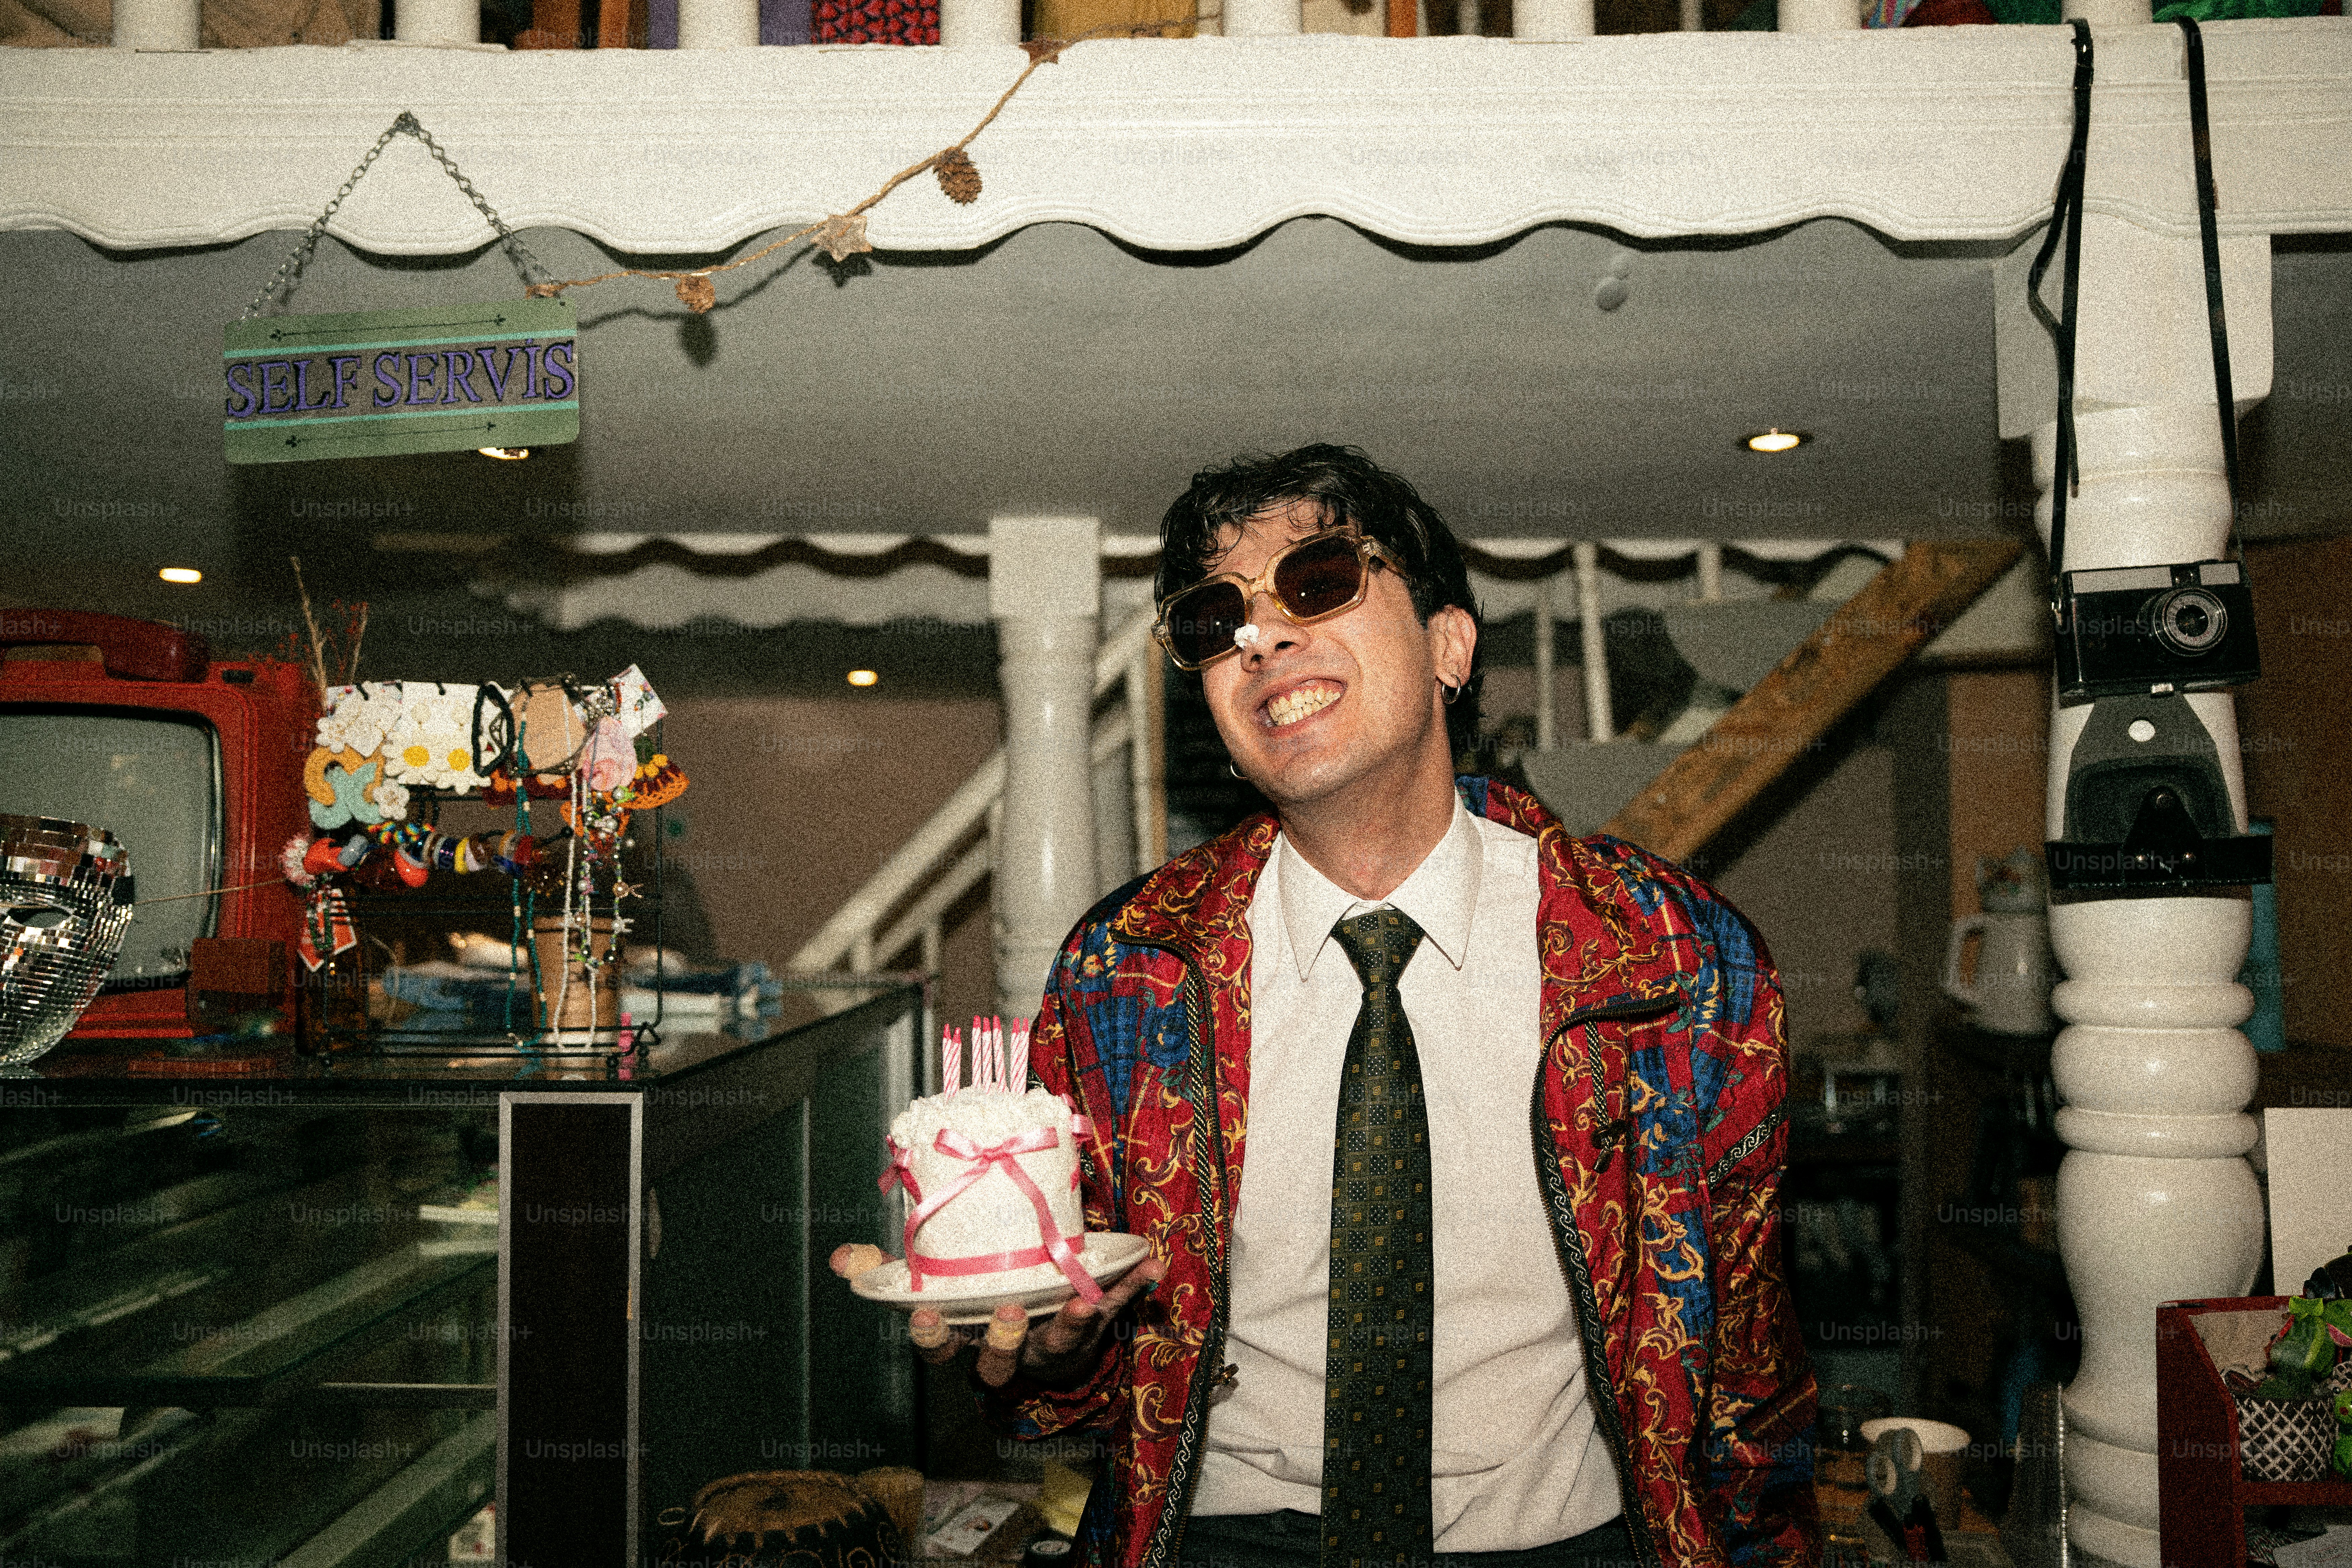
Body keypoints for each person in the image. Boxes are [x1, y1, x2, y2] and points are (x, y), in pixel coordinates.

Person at [907, 445, 1818, 1568]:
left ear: (1450, 644)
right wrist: (1045, 1352)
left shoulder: (1671, 957)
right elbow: (1077, 1367)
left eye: (1321, 579)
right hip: (1217, 1541)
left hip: (1574, 1542)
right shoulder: (1126, 970)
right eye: (1213, 619)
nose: (1260, 635)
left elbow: (1746, 1361)